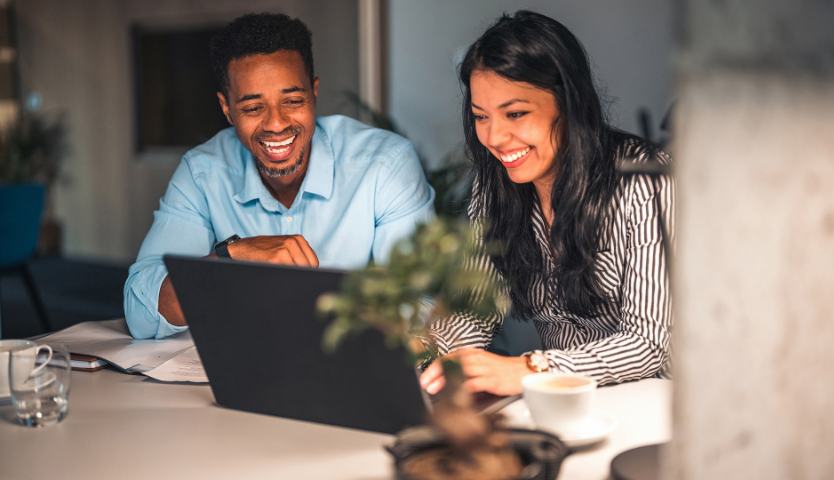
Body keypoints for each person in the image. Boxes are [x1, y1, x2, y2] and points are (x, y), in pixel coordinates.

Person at [124, 13, 434, 339]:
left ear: (314, 93)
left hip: (349, 373)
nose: (276, 124)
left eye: (293, 100)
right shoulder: (202, 173)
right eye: (253, 108)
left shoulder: (385, 164)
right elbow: (140, 313)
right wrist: (232, 255)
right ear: (227, 109)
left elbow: (419, 309)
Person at [419, 10, 673, 396]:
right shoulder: (494, 190)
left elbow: (649, 344)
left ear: (568, 103)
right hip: (561, 402)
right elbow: (473, 312)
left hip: (655, 403)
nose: (495, 137)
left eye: (516, 113)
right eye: (480, 117)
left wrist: (531, 368)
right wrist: (423, 350)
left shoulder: (645, 181)